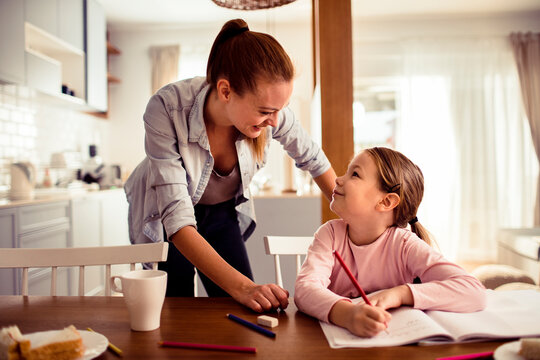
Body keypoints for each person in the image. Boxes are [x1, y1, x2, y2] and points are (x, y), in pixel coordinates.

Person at [124, 18, 336, 313]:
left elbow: (315, 160)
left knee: (240, 312)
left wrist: (353, 216)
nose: (274, 122)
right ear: (226, 91)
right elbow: (177, 218)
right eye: (265, 112)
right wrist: (245, 288)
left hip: (222, 214)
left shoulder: (271, 111)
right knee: (176, 310)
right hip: (167, 218)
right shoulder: (167, 108)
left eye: (280, 111)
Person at [294, 147, 486, 337]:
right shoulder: (330, 234)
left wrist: (400, 294)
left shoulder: (404, 244)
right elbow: (305, 290)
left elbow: (473, 291)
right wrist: (348, 315)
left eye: (354, 174)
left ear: (386, 202)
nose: (338, 179)